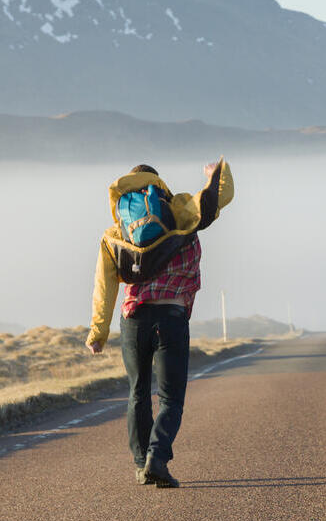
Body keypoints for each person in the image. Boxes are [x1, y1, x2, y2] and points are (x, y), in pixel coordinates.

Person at [86, 159, 234, 486]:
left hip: (134, 320)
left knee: (137, 393)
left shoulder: (115, 233)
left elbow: (104, 286)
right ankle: (157, 456)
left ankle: (142, 465)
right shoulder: (180, 211)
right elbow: (217, 199)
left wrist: (98, 332)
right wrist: (215, 176)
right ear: (157, 184)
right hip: (171, 317)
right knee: (170, 398)